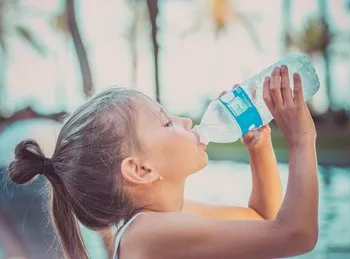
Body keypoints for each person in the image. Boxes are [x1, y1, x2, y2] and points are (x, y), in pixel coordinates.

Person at [7, 65, 319, 259]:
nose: (185, 121)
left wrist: (259, 147)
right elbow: (296, 235)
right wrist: (302, 139)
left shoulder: (164, 218)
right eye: (167, 123)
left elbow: (262, 219)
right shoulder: (147, 233)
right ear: (140, 169)